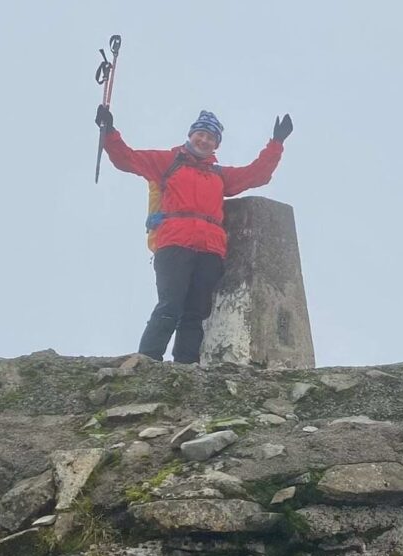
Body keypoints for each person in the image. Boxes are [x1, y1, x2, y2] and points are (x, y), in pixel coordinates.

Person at [95, 105, 293, 364]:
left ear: (215, 145)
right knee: (170, 305)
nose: (204, 140)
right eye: (200, 134)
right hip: (174, 243)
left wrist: (276, 143)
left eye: (210, 137)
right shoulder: (168, 162)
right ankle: (147, 360)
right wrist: (109, 131)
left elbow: (257, 174)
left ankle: (186, 367)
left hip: (210, 250)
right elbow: (126, 158)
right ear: (191, 135)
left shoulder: (219, 175)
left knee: (195, 312)